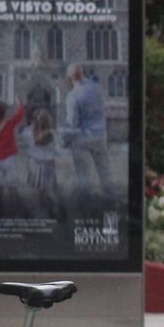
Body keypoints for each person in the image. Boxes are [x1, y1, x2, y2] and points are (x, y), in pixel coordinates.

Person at [61, 63, 114, 215]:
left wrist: (64, 139)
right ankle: (112, 202)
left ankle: (87, 208)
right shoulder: (96, 87)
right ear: (82, 73)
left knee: (84, 176)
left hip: (82, 139)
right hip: (100, 135)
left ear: (70, 78)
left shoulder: (73, 96)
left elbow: (72, 123)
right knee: (105, 171)